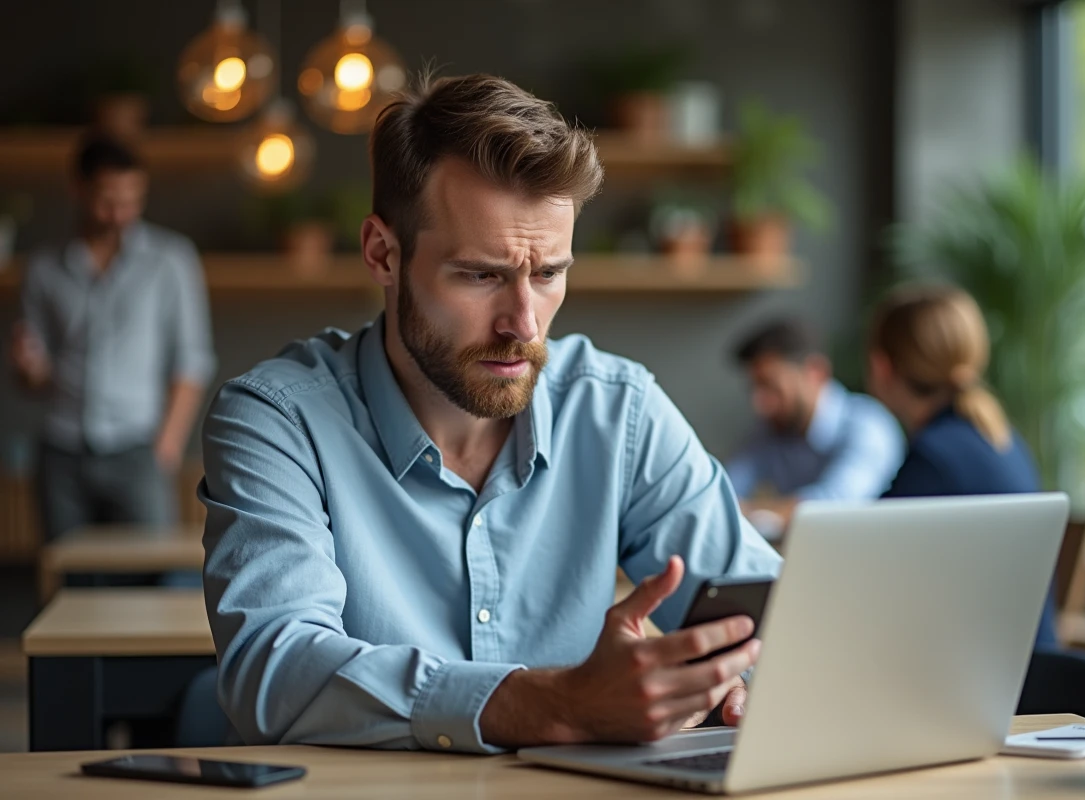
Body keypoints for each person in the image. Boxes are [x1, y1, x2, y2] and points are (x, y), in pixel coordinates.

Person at [199, 73, 781, 754]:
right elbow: (275, 671)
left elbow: (764, 612)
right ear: (382, 254)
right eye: (481, 275)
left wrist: (752, 679)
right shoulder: (276, 420)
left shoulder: (616, 409)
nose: (523, 324)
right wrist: (555, 706)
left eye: (547, 274)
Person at [11, 135, 215, 541]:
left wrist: (166, 448)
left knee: (154, 583)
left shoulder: (171, 260)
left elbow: (192, 360)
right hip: (61, 450)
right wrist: (28, 369)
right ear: (78, 189)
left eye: (131, 200)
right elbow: (34, 378)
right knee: (64, 577)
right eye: (107, 199)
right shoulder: (44, 268)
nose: (120, 213)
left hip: (139, 449)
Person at [866, 285, 1057, 649]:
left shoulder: (935, 459)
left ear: (882, 367)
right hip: (1030, 675)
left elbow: (867, 575)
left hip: (984, 690)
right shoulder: (1003, 439)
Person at [724, 319, 904, 523]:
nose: (760, 403)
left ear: (815, 372)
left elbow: (835, 507)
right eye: (754, 388)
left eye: (770, 386)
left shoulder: (869, 426)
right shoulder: (769, 432)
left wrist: (753, 511)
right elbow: (725, 494)